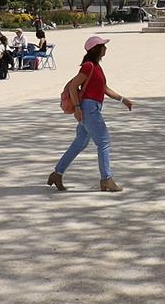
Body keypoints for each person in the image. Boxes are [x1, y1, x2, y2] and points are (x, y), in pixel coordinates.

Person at [48, 35, 133, 193]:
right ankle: (106, 179)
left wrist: (123, 100)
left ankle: (57, 173)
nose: (105, 48)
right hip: (88, 109)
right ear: (96, 49)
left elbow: (105, 89)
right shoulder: (88, 66)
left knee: (80, 143)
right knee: (104, 142)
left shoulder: (96, 67)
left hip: (91, 108)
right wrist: (78, 108)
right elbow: (73, 87)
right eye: (103, 45)